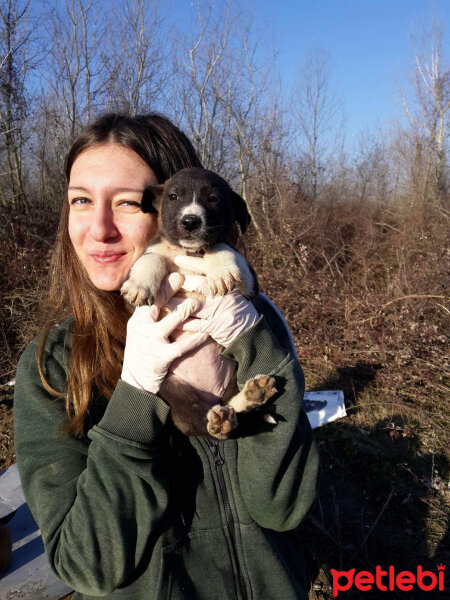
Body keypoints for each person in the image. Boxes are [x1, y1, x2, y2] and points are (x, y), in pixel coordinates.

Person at [14, 113, 319, 600]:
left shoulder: (254, 320)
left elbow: (282, 508)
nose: (100, 229)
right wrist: (136, 395)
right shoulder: (51, 369)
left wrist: (255, 343)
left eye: (129, 204)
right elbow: (86, 565)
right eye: (80, 200)